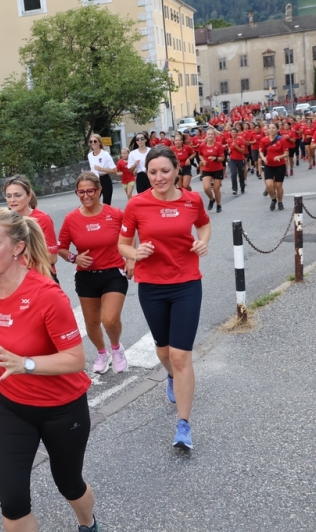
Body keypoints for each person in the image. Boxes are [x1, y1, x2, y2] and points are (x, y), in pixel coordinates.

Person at [0, 207, 99, 532]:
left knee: (69, 484)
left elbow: (75, 359)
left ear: (18, 247)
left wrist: (26, 364)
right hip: (12, 406)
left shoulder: (47, 295)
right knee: (13, 501)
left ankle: (88, 523)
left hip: (62, 409)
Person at [118, 145, 211, 450]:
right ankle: (171, 377)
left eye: (165, 171)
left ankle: (183, 425)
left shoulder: (191, 199)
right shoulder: (136, 205)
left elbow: (204, 224)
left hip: (186, 284)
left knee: (181, 355)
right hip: (152, 287)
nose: (159, 177)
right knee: (164, 352)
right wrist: (135, 252)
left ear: (176, 171)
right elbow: (123, 244)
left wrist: (203, 242)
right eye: (153, 172)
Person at [58, 172, 132, 374]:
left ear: (99, 190)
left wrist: (130, 259)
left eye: (90, 190)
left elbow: (129, 235)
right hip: (86, 276)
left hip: (113, 273)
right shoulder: (71, 219)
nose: (86, 195)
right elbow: (62, 248)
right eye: (80, 192)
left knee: (109, 319)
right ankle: (102, 353)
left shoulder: (115, 214)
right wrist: (74, 258)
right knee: (91, 323)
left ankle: (116, 348)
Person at [3, 175, 59, 282]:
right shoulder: (4, 221)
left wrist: (22, 251)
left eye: (17, 195)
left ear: (29, 196)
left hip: (41, 279)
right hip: (16, 281)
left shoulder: (42, 219)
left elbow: (52, 257)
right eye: (8, 196)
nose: (12, 200)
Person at [259, 123, 291, 211]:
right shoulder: (264, 140)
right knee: (269, 185)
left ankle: (280, 202)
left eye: (273, 128)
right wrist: (263, 158)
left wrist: (279, 157)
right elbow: (261, 151)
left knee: (278, 186)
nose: (271, 130)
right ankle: (273, 199)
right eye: (270, 128)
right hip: (268, 165)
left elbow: (286, 153)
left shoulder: (282, 140)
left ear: (277, 129)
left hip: (280, 165)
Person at [198, 128, 226, 213]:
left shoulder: (218, 145)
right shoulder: (202, 145)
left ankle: (218, 205)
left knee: (216, 189)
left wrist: (215, 158)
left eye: (212, 134)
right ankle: (211, 199)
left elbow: (222, 158)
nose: (210, 136)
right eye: (208, 134)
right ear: (206, 135)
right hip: (207, 169)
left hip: (217, 169)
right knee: (206, 188)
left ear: (214, 136)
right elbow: (200, 155)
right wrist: (203, 161)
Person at [87, 134, 116, 205]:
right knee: (94, 202)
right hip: (95, 180)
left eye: (95, 141)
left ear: (99, 142)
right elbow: (92, 169)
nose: (93, 143)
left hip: (105, 179)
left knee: (106, 203)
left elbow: (114, 170)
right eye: (91, 141)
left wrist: (101, 169)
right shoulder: (90, 155)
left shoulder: (105, 154)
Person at [226, 128, 247, 196]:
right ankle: (234, 189)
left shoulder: (240, 140)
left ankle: (242, 187)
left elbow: (243, 151)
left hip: (240, 159)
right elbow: (229, 148)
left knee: (241, 175)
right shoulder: (229, 140)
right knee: (233, 174)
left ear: (237, 133)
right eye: (232, 132)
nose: (233, 134)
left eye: (234, 132)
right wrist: (229, 151)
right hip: (232, 160)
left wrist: (236, 146)